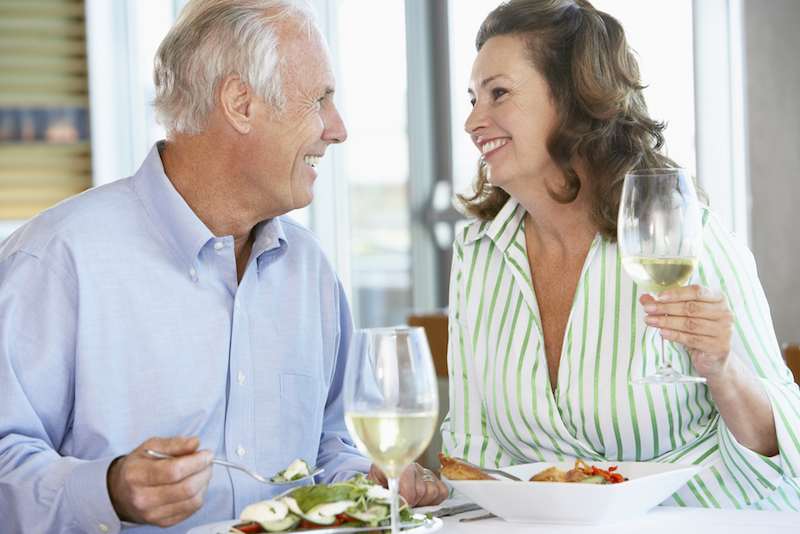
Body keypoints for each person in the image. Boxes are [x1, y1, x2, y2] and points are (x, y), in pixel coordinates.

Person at [0, 1, 447, 532]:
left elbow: (331, 444)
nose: (338, 129)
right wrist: (110, 490)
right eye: (320, 100)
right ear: (240, 103)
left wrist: (369, 480)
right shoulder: (56, 259)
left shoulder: (310, 270)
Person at [441, 0, 800, 510]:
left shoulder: (686, 235)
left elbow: (788, 448)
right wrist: (429, 490)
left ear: (572, 99)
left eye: (498, 93)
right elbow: (472, 449)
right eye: (473, 98)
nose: (473, 121)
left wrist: (723, 369)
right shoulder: (477, 256)